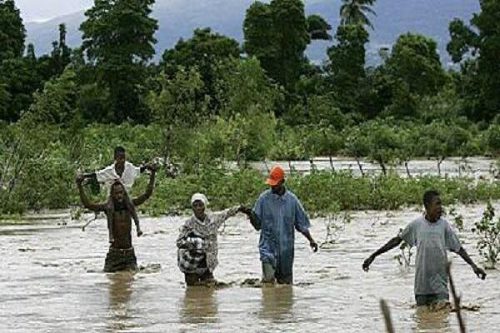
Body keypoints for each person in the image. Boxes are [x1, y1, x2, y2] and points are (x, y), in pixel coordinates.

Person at [362, 189, 487, 306]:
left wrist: (474, 266)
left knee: (442, 318)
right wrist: (373, 255)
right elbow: (397, 240)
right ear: (427, 206)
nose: (440, 208)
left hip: (440, 285)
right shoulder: (416, 225)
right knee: (422, 320)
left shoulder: (444, 226)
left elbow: (458, 248)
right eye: (437, 204)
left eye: (441, 204)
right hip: (422, 285)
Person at [243, 165, 318, 284]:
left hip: (286, 250)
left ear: (282, 182)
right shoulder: (263, 199)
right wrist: (250, 214)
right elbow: (257, 225)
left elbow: (301, 225)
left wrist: (311, 240)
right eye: (271, 184)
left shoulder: (292, 201)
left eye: (275, 184)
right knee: (268, 282)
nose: (272, 186)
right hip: (267, 248)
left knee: (286, 286)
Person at [76, 165, 156, 272]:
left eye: (121, 193)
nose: (119, 196)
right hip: (114, 254)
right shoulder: (107, 208)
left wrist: (152, 175)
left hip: (129, 254)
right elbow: (88, 204)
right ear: (112, 194)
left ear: (124, 193)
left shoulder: (129, 206)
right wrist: (80, 186)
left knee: (131, 280)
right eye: (116, 193)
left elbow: (147, 194)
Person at [82, 146, 152, 242]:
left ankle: (138, 227)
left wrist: (148, 167)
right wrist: (85, 176)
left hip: (124, 194)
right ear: (115, 158)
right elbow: (97, 175)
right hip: (112, 196)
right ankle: (111, 234)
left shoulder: (129, 167)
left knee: (131, 205)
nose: (122, 161)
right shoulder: (109, 171)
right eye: (120, 158)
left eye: (124, 158)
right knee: (110, 208)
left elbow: (139, 170)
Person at [176, 193, 247, 286]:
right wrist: (195, 244)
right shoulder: (189, 224)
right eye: (195, 205)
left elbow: (226, 213)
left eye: (200, 205)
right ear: (192, 208)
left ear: (205, 206)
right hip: (192, 264)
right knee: (192, 290)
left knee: (209, 295)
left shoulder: (213, 219)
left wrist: (240, 208)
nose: (198, 208)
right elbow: (179, 242)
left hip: (208, 263)